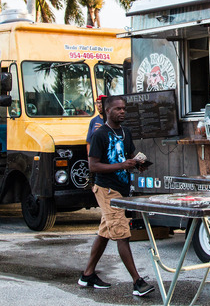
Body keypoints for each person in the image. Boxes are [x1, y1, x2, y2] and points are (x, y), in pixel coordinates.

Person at [79, 95, 154, 297]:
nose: (122, 112)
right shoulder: (99, 135)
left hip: (121, 189)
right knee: (122, 234)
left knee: (105, 232)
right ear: (107, 110)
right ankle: (137, 282)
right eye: (118, 109)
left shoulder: (125, 132)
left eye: (124, 108)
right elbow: (93, 166)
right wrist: (122, 165)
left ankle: (87, 275)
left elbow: (128, 156)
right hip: (106, 190)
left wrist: (138, 164)